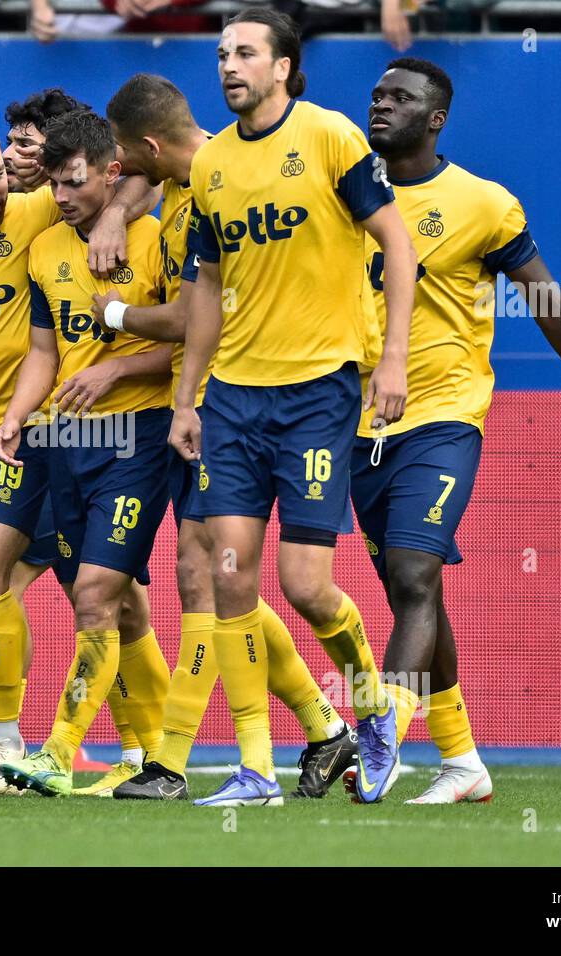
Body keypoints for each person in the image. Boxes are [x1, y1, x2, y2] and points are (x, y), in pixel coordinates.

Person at [350, 58, 561, 803]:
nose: (381, 106)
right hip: (358, 425)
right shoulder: (345, 193)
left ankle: (381, 728)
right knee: (411, 593)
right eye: (378, 95)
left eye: (400, 98)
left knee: (416, 575)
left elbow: (550, 305)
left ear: (436, 117)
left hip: (445, 416)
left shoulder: (482, 203)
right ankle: (464, 763)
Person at [171, 6, 419, 806]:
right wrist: (188, 397)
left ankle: (373, 709)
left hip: (319, 391)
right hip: (236, 398)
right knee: (230, 576)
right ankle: (256, 768)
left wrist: (390, 358)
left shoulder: (329, 137)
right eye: (220, 53)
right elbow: (204, 290)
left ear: (283, 66)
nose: (229, 65)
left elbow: (398, 242)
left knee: (306, 584)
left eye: (245, 52)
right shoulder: (208, 166)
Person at [91, 73, 357, 802]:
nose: (116, 170)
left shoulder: (220, 180)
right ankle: (319, 727)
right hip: (208, 400)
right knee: (212, 578)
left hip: (242, 400)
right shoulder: (178, 186)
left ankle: (190, 761)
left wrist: (112, 318)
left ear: (147, 145)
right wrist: (116, 209)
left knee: (218, 576)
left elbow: (189, 314)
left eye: (120, 155)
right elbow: (141, 181)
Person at [0, 112, 165, 796]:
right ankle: (27, 747)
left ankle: (108, 749)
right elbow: (44, 346)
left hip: (98, 436)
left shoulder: (104, 222)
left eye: (2, 173)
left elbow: (163, 157)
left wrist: (116, 211)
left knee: (100, 595)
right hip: (13, 437)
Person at [0, 109, 174, 797]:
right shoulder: (43, 250)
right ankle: (152, 761)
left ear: (111, 173)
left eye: (75, 182)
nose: (63, 196)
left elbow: (192, 338)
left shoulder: (155, 238)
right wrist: (16, 416)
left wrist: (118, 370)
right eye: (55, 184)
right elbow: (45, 350)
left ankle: (59, 751)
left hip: (139, 438)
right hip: (67, 443)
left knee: (97, 593)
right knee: (113, 605)